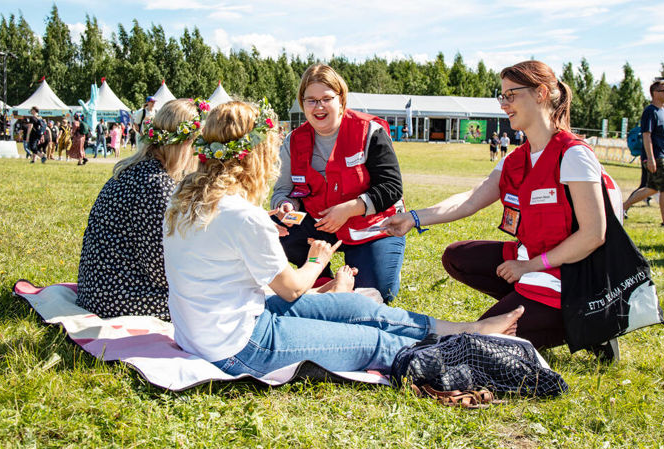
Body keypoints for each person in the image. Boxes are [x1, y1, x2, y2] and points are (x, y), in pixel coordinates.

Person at [162, 100, 524, 377]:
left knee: (356, 308)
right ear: (254, 156)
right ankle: (471, 352)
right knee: (376, 342)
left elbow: (219, 254)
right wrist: (318, 261)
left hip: (209, 330)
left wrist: (265, 232)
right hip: (241, 345)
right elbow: (290, 289)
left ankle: (468, 330)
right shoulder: (242, 215)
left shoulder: (185, 201)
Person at [382, 60, 623, 359]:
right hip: (535, 265)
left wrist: (529, 266)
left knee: (473, 341)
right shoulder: (515, 159)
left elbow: (593, 235)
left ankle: (587, 323)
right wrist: (414, 217)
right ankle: (530, 307)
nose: (503, 105)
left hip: (572, 279)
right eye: (502, 96)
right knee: (458, 257)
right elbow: (471, 200)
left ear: (541, 94)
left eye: (511, 95)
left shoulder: (572, 155)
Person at [270, 64, 406, 302]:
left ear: (341, 100)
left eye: (326, 99)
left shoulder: (369, 130)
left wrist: (350, 208)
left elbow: (392, 187)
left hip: (370, 227)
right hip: (320, 224)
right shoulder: (293, 140)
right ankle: (322, 281)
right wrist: (285, 205)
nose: (319, 107)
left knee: (374, 294)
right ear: (302, 103)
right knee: (273, 227)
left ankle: (376, 265)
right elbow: (284, 190)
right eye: (311, 100)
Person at [77, 98, 206, 320]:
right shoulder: (157, 184)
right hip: (121, 300)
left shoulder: (136, 170)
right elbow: (161, 272)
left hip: (96, 290)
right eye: (200, 145)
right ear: (187, 144)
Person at [622, 80, 664, 227]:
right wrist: (651, 158)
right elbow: (647, 135)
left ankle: (622, 207)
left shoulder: (663, 112)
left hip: (663, 155)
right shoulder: (650, 111)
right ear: (655, 93)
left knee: (652, 188)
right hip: (655, 156)